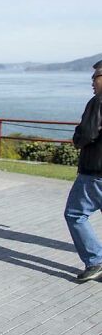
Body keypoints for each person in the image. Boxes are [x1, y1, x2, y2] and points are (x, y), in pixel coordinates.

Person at [65, 60, 102, 282]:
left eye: (96, 77)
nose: (92, 81)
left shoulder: (98, 101)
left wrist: (77, 139)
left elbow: (87, 133)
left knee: (75, 214)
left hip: (94, 172)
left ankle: (95, 260)